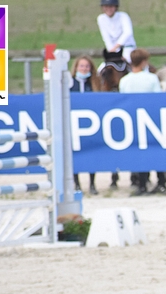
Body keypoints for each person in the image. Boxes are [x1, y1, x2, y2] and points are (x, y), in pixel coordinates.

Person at [119, 49, 166, 195]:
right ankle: (161, 182)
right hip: (151, 119)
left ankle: (142, 184)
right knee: (156, 151)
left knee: (139, 152)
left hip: (133, 120)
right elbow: (157, 98)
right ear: (143, 62)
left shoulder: (125, 80)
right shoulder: (151, 79)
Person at [70, 56, 99, 195]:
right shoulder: (69, 83)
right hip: (73, 123)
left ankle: (92, 184)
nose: (84, 69)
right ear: (76, 68)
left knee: (92, 155)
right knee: (75, 154)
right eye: (82, 66)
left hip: (90, 123)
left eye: (87, 67)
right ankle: (77, 184)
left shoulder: (94, 84)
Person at [96, 0, 136, 65]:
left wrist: (116, 47)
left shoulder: (123, 16)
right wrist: (111, 51)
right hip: (113, 50)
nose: (108, 9)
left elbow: (128, 33)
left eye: (111, 6)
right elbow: (106, 37)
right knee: (102, 68)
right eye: (106, 6)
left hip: (127, 47)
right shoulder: (101, 19)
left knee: (130, 63)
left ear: (115, 7)